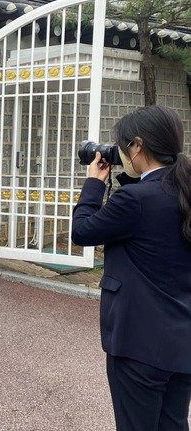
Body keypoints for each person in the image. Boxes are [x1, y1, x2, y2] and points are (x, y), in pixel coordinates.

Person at [71, 105, 191, 431]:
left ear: (137, 146)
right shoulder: (182, 190)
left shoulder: (135, 200)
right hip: (182, 343)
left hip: (139, 344)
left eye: (123, 147)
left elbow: (82, 231)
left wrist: (94, 183)